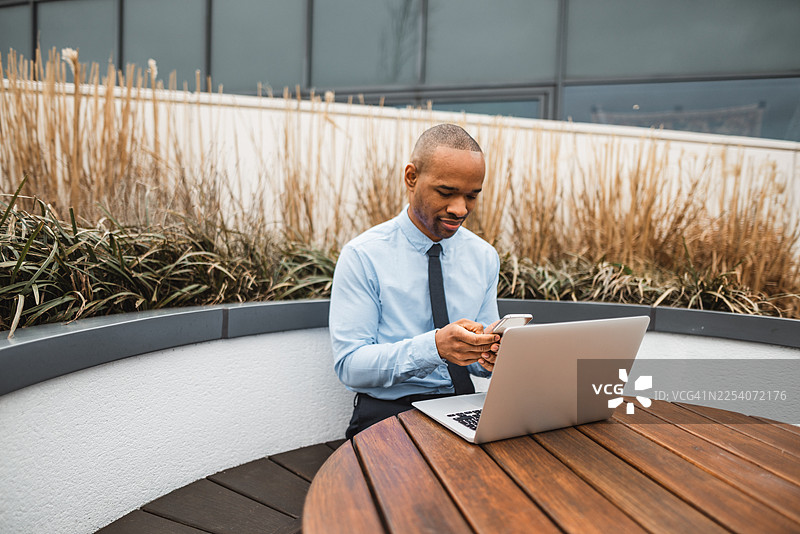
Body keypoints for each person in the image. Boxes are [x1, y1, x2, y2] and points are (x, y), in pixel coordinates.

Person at [329, 123, 502, 439]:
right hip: (389, 415)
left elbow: (479, 362)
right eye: (446, 192)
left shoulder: (484, 256)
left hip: (464, 407)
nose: (460, 209)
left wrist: (490, 355)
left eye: (472, 196)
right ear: (411, 178)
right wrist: (434, 348)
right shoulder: (363, 255)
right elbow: (351, 366)